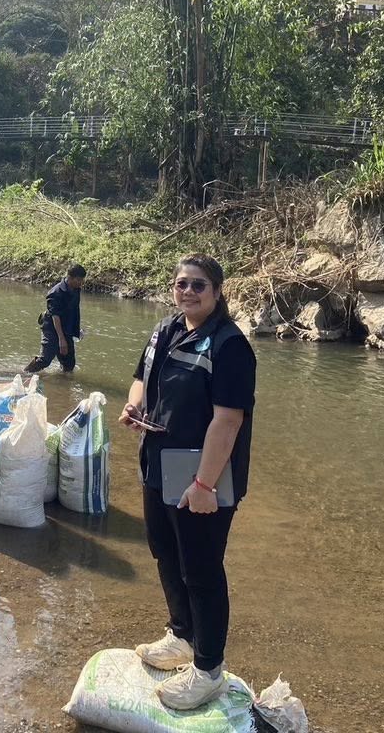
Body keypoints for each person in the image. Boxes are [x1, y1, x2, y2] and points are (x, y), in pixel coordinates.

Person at [119, 253, 255, 711]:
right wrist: (135, 405)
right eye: (182, 283)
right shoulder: (166, 329)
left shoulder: (229, 345)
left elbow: (228, 421)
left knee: (201, 570)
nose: (188, 291)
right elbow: (141, 378)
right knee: (166, 552)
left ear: (217, 291)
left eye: (198, 285)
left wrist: (204, 485)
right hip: (159, 465)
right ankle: (182, 636)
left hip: (203, 476)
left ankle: (208, 670)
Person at [24, 264, 86, 373]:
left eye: (82, 280)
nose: (81, 283)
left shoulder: (76, 290)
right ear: (70, 277)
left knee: (69, 364)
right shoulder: (56, 293)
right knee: (45, 360)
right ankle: (26, 373)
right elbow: (55, 316)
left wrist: (76, 331)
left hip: (66, 328)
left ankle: (63, 382)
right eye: (78, 280)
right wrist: (61, 339)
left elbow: (74, 311)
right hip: (51, 328)